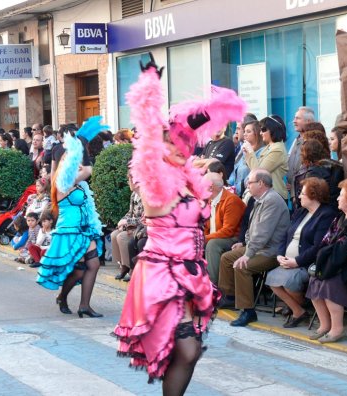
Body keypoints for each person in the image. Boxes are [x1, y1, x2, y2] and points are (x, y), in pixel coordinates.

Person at [115, 56, 245, 391]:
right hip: (162, 273)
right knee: (187, 349)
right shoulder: (154, 179)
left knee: (188, 351)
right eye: (170, 142)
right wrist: (149, 91)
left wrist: (206, 113)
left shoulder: (188, 179)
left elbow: (187, 129)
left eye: (183, 142)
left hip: (189, 272)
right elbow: (146, 137)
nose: (179, 147)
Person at [37, 116, 107, 319]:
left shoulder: (78, 183)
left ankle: (84, 305)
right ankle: (62, 296)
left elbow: (86, 170)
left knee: (92, 265)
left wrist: (81, 144)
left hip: (85, 229)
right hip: (70, 230)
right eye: (73, 163)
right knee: (77, 271)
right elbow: (87, 170)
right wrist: (79, 146)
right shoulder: (62, 183)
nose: (78, 166)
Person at [218, 169, 290, 326]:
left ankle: (248, 311)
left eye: (249, 182)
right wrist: (244, 244)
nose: (247, 185)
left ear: (261, 183)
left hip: (271, 251)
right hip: (258, 247)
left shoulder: (272, 201)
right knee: (227, 258)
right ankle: (229, 297)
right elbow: (253, 229)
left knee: (242, 266)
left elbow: (263, 233)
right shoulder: (259, 199)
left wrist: (248, 254)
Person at [266, 177, 336, 328]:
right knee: (272, 279)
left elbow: (318, 246)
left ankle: (304, 307)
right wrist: (280, 254)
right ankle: (298, 310)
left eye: (302, 193)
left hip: (307, 262)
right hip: (288, 260)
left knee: (290, 283)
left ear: (314, 195)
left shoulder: (326, 214)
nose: (298, 196)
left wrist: (296, 262)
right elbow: (285, 235)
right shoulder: (301, 212)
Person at [306, 178, 347, 343]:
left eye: (341, 195)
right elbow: (326, 241)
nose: (337, 198)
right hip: (336, 262)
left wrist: (333, 252)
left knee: (329, 283)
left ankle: (337, 329)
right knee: (314, 279)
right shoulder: (338, 218)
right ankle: (325, 325)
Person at [204, 172, 246, 284]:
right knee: (192, 242)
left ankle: (213, 285)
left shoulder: (231, 200)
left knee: (213, 244)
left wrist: (204, 238)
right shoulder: (209, 200)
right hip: (216, 236)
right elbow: (206, 226)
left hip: (233, 239)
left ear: (210, 187)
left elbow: (228, 231)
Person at [244, 115, 288, 198]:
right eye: (260, 130)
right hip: (267, 195)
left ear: (273, 129)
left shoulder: (277, 150)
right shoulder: (269, 147)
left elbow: (258, 173)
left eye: (263, 130)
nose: (261, 133)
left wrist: (250, 152)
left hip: (275, 196)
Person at [111, 171, 143, 281]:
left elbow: (144, 219)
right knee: (114, 234)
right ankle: (123, 265)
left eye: (129, 180)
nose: (128, 182)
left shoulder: (144, 194)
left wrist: (127, 222)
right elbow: (130, 213)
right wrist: (122, 220)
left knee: (122, 237)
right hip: (132, 226)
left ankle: (130, 268)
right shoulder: (134, 195)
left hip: (140, 228)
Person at [229, 119, 264, 197]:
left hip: (252, 195)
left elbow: (257, 172)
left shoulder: (262, 152)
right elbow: (235, 171)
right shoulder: (244, 151)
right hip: (238, 194)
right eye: (244, 131)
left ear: (257, 134)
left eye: (248, 132)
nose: (244, 134)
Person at [287, 107, 315, 202]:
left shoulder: (314, 142)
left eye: (298, 118)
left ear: (308, 121)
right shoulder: (297, 139)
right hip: (295, 192)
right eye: (295, 118)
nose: (294, 121)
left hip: (306, 194)